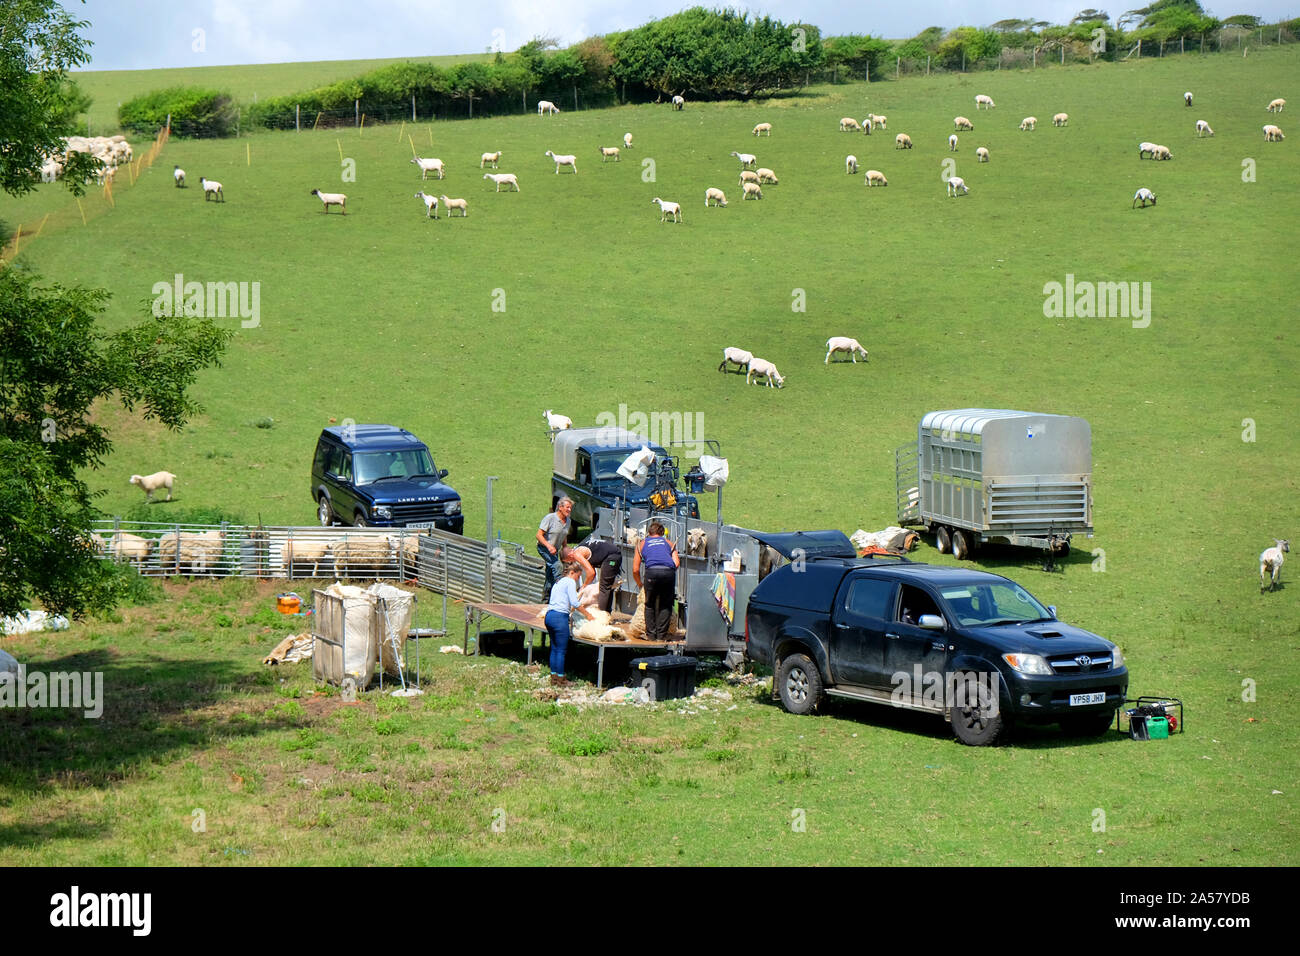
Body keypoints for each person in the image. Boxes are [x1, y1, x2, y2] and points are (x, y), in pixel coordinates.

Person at [545, 560, 596, 686]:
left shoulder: (559, 582)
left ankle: (554, 677)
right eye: (578, 576)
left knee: (554, 648)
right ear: (572, 572)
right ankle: (562, 679)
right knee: (561, 650)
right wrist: (588, 615)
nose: (578, 579)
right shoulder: (569, 582)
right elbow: (575, 602)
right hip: (559, 618)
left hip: (549, 616)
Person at [633, 521, 680, 642]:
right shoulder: (669, 543)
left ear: (649, 533)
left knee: (649, 604)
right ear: (662, 533)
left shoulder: (641, 544)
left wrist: (640, 584)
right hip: (668, 572)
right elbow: (677, 562)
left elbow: (635, 569)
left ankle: (651, 636)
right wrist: (667, 571)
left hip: (651, 573)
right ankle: (662, 637)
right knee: (666, 604)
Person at [568, 539, 624, 612]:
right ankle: (607, 613)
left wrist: (584, 586)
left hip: (612, 558)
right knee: (608, 586)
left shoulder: (576, 554)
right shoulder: (582, 549)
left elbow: (591, 573)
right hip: (614, 555)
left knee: (604, 587)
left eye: (569, 561)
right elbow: (592, 571)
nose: (572, 562)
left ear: (569, 555)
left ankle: (600, 616)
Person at [536, 497, 573, 601]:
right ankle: (561, 595)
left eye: (570, 508)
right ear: (560, 507)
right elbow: (539, 535)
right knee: (557, 567)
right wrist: (549, 546)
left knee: (550, 576)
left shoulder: (568, 521)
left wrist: (565, 547)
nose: (569, 510)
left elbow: (563, 534)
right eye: (567, 507)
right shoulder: (550, 518)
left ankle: (545, 602)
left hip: (554, 551)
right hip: (544, 548)